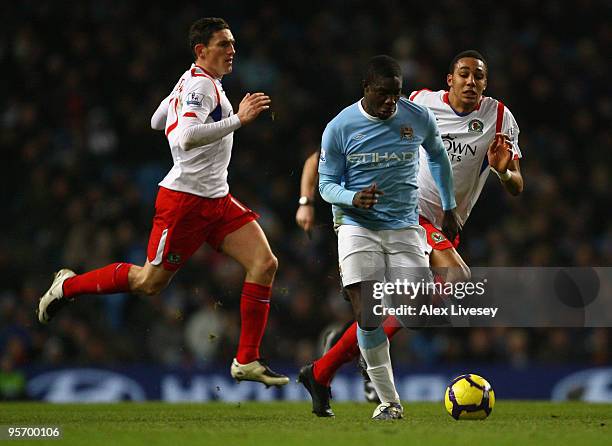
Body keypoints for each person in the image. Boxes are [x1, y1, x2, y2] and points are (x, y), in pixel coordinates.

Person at [37, 17, 289, 388]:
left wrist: (180, 105)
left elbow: (158, 121)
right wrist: (239, 119)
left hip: (216, 198)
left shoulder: (194, 81)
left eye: (233, 43)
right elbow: (185, 136)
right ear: (201, 51)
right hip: (185, 202)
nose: (232, 50)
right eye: (224, 44)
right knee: (148, 282)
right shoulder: (201, 86)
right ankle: (66, 286)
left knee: (264, 263)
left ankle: (247, 359)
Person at [297, 50, 523, 415]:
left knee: (417, 311)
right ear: (449, 80)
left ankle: (327, 366)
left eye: (478, 77)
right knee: (457, 277)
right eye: (463, 74)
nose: (471, 81)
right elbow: (330, 154)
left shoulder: (498, 117)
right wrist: (311, 198)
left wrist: (502, 172)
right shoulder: (417, 103)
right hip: (408, 213)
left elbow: (516, 185)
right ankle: (365, 352)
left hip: (446, 221)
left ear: (486, 83)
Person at [298, 55, 459, 420]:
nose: (391, 102)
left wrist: (449, 208)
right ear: (366, 89)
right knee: (368, 311)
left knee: (416, 311)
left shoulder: (416, 117)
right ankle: (390, 402)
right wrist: (352, 197)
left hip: (404, 226)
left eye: (396, 94)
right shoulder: (340, 127)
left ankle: (325, 368)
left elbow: (437, 156)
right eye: (384, 94)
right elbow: (325, 184)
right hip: (357, 225)